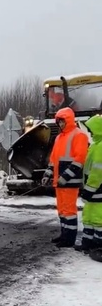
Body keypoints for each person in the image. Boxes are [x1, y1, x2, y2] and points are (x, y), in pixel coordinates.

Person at [42, 107, 89, 248]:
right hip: (59, 181)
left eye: (62, 121)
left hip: (70, 181)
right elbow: (54, 159)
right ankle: (64, 235)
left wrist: (66, 176)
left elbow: (79, 159)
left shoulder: (79, 135)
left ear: (68, 120)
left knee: (69, 211)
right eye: (58, 122)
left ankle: (69, 239)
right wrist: (47, 174)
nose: (60, 124)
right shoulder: (58, 138)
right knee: (62, 210)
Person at [75, 114, 102, 252]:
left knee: (98, 219)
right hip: (92, 189)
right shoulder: (95, 145)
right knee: (88, 217)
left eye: (91, 129)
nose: (90, 132)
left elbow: (97, 172)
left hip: (97, 189)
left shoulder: (100, 147)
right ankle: (88, 242)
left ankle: (98, 244)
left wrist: (89, 189)